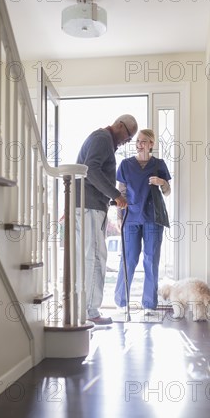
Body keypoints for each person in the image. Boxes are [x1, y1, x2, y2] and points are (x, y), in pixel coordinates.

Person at [75, 114, 138, 325]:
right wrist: (116, 194)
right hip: (90, 206)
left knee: (86, 258)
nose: (126, 141)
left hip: (88, 205)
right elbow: (90, 170)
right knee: (95, 257)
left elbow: (91, 172)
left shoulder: (102, 139)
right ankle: (91, 311)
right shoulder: (103, 138)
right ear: (120, 126)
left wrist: (110, 198)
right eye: (128, 137)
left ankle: (82, 309)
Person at [114, 128, 171, 316]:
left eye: (144, 141)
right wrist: (119, 217)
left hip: (153, 218)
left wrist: (161, 182)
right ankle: (121, 302)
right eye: (138, 141)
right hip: (131, 217)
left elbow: (168, 191)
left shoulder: (159, 164)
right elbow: (121, 193)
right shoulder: (125, 164)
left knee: (151, 260)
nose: (140, 144)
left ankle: (149, 304)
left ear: (152, 144)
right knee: (128, 259)